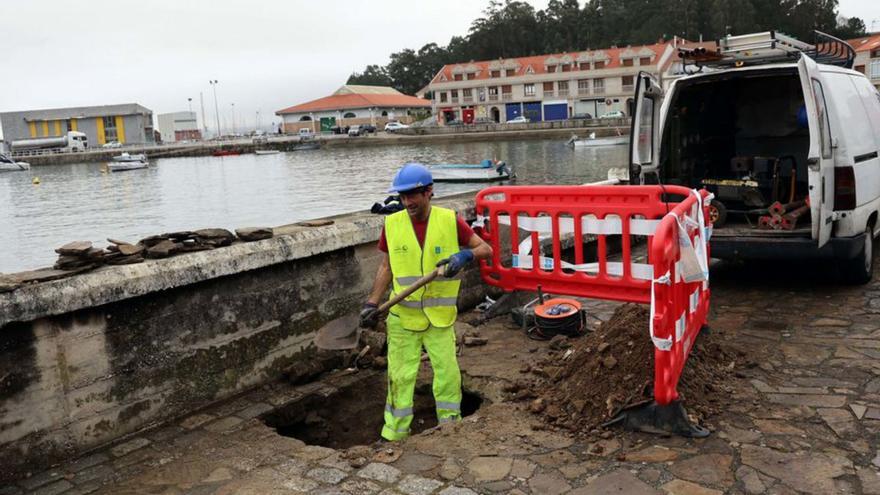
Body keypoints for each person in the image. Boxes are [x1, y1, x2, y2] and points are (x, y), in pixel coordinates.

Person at [360, 163, 492, 441]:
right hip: (403, 320)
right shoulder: (392, 224)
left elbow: (485, 248)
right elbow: (387, 267)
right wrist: (372, 303)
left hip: (439, 318)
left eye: (413, 195)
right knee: (400, 377)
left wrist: (465, 256)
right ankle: (395, 433)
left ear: (429, 192)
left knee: (447, 375)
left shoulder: (449, 220)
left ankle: (450, 428)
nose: (407, 202)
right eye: (403, 196)